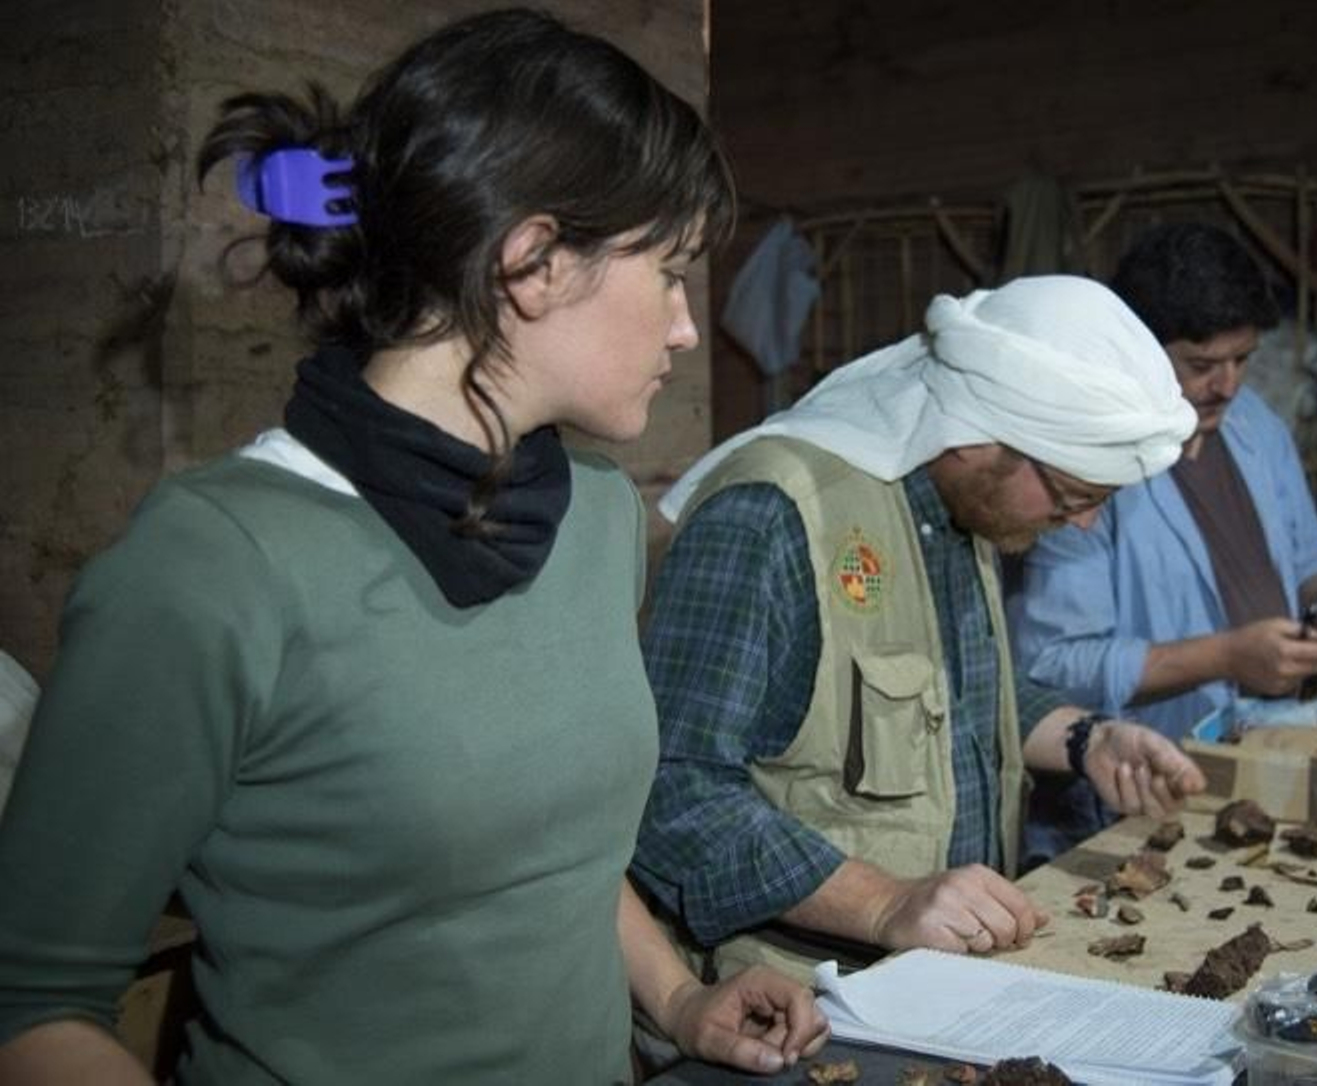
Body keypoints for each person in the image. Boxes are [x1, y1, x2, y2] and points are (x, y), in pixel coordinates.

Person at [0, 10, 825, 1083]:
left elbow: (546, 853)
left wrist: (675, 994)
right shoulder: (216, 565)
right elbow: (30, 1009)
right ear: (531, 262)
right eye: (668, 271)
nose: (683, 325)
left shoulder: (595, 516)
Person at [630, 275, 1209, 983]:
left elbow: (948, 701)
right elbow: (669, 790)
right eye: (1073, 497)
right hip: (799, 999)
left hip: (941, 984)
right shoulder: (772, 519)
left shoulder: (960, 509)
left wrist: (1087, 739)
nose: (1083, 523)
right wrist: (884, 904)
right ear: (972, 438)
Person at [1009, 223, 1317, 850]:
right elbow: (1052, 664)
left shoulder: (1255, 427)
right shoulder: (1087, 465)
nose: (1229, 386)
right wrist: (1225, 657)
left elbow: (1310, 550)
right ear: (1136, 348)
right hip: (1135, 800)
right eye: (1202, 364)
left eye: (1243, 360)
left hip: (1261, 760)